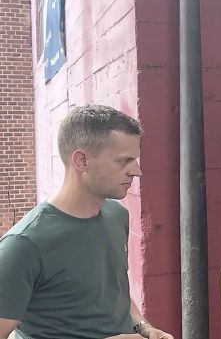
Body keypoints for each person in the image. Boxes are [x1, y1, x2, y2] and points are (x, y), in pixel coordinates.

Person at [0, 104, 173, 339]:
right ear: (82, 161)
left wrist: (143, 327)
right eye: (125, 161)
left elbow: (114, 292)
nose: (137, 171)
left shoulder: (116, 215)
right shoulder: (23, 245)